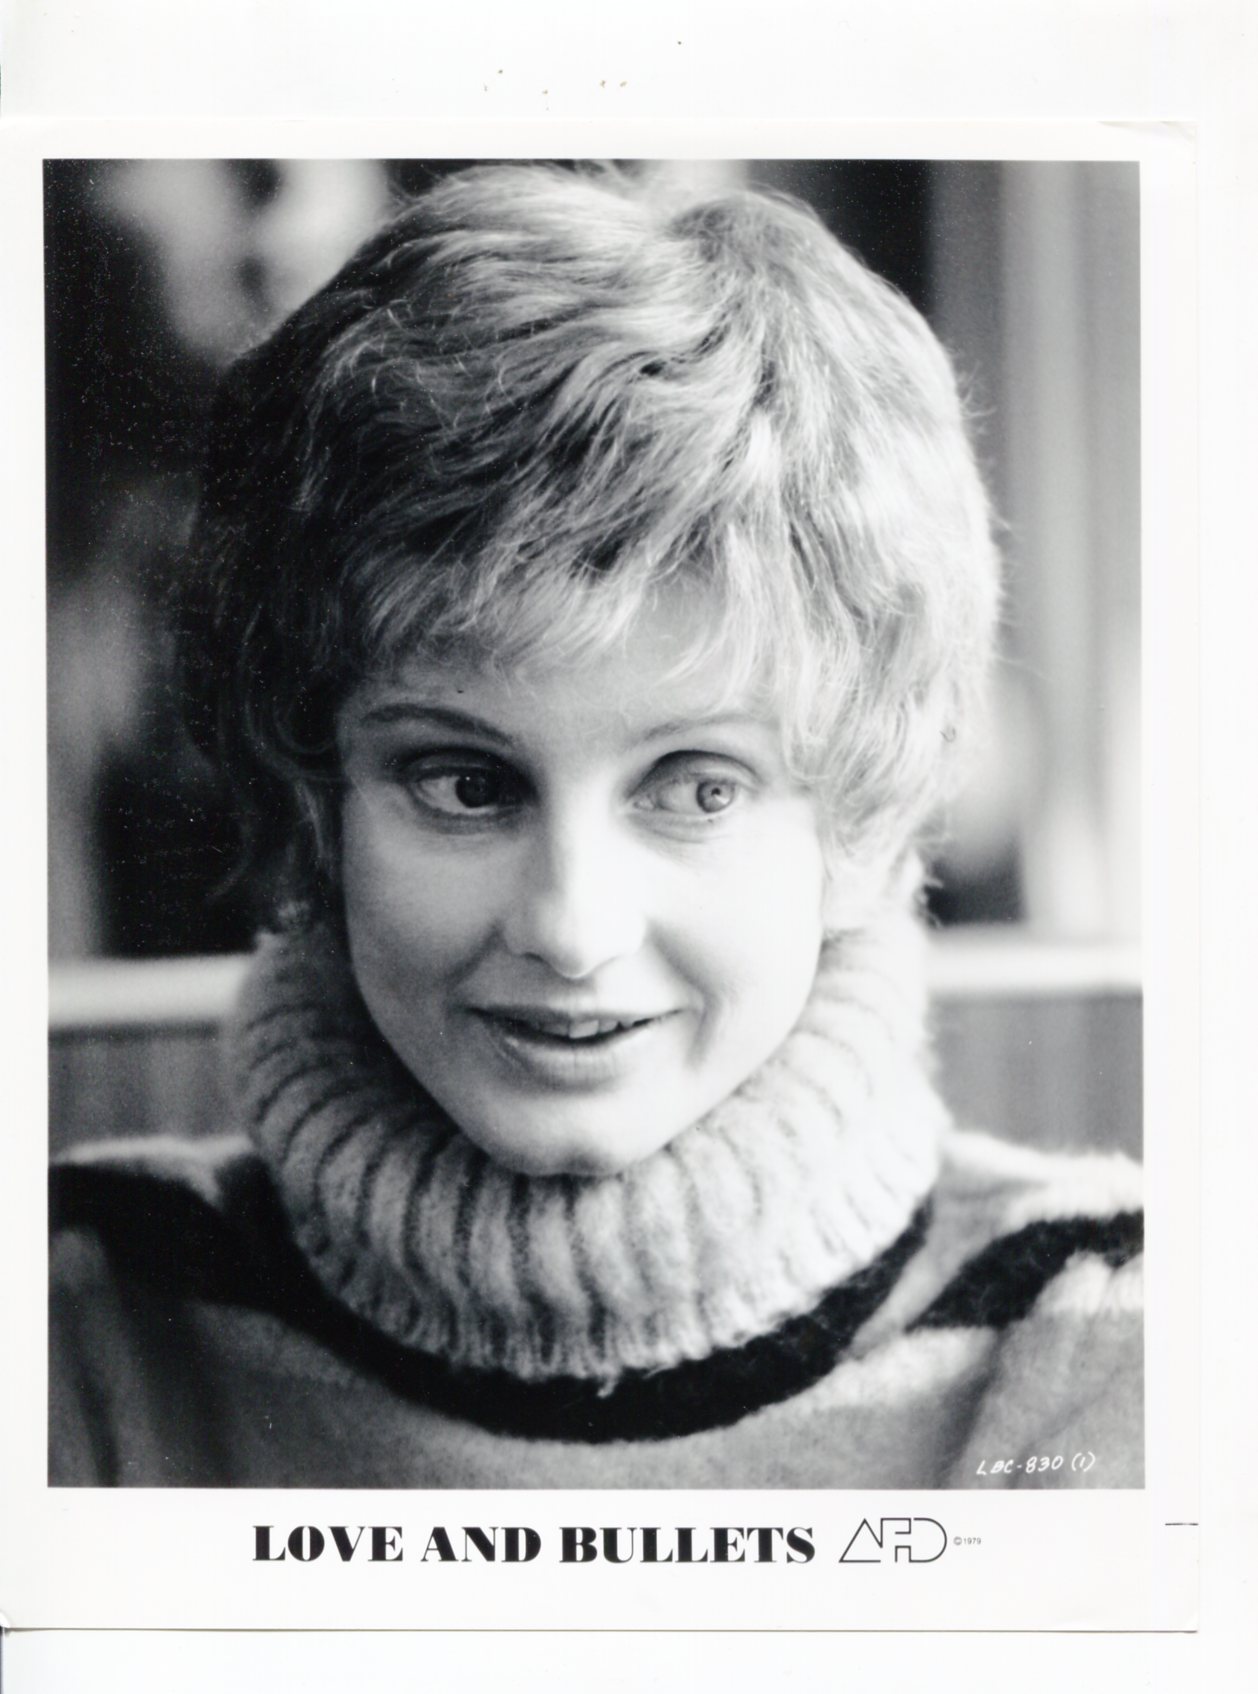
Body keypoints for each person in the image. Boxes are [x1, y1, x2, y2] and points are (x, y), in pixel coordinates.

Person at [50, 162, 1142, 1487]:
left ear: (861, 822)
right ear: (314, 809)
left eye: (698, 787)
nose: (571, 929)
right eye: (464, 783)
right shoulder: (75, 1316)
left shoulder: (1116, 1329)